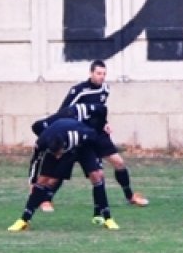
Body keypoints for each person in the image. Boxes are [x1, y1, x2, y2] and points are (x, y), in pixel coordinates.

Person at [39, 59, 148, 212]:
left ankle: (130, 196)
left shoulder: (105, 89)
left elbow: (100, 110)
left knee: (119, 162)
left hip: (98, 133)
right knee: (64, 167)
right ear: (91, 73)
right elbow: (64, 112)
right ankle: (46, 200)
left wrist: (105, 123)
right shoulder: (78, 90)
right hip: (81, 134)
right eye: (98, 73)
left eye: (104, 74)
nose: (101, 76)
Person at [9, 117, 119, 232]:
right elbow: (35, 162)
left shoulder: (83, 134)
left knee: (96, 176)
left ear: (63, 146)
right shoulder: (42, 142)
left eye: (58, 153)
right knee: (42, 181)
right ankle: (24, 220)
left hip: (83, 146)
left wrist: (98, 163)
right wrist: (32, 182)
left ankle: (108, 219)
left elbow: (95, 143)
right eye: (54, 154)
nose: (57, 157)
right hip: (62, 141)